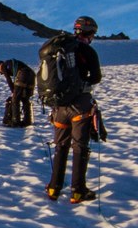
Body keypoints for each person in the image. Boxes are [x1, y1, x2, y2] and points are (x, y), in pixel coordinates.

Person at [39, 15, 103, 203]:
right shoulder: (87, 51)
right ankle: (77, 190)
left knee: (61, 146)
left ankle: (54, 188)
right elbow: (96, 77)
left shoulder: (59, 49)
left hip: (59, 106)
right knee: (80, 147)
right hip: (80, 105)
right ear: (89, 32)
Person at [0, 58, 35, 127]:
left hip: (23, 74)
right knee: (25, 98)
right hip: (32, 75)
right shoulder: (12, 63)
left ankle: (15, 121)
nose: (2, 73)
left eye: (1, 72)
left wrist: (13, 91)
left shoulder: (3, 66)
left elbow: (8, 80)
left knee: (15, 100)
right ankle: (27, 120)